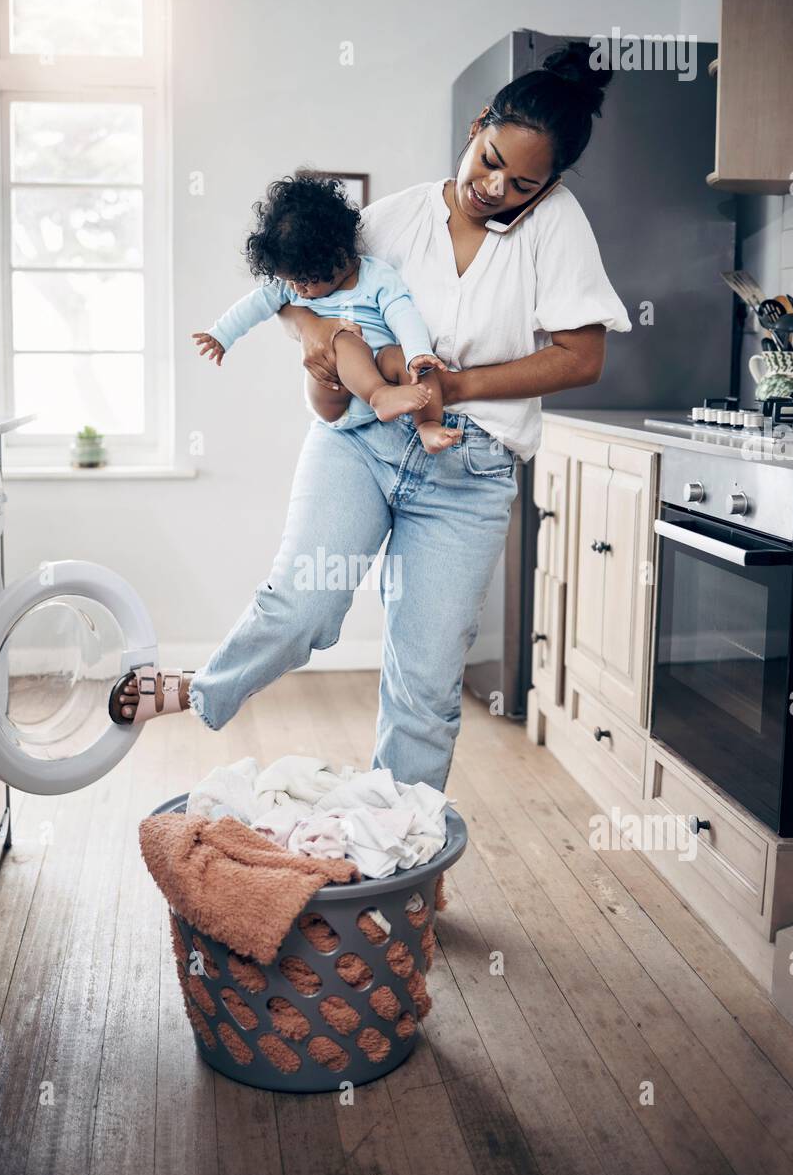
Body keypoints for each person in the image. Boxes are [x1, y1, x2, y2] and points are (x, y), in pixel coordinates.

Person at [109, 42, 631, 794]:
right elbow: (297, 289)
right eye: (488, 160)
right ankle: (203, 687)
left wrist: (454, 386)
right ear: (478, 124)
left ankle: (402, 854)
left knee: (424, 682)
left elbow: (581, 357)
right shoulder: (391, 219)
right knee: (304, 604)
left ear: (549, 185)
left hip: (469, 469)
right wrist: (317, 339)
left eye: (523, 182)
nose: (494, 188)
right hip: (359, 440)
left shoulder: (556, 224)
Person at [192, 171, 457, 452]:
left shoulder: (376, 276)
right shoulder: (291, 287)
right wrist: (221, 334)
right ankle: (380, 396)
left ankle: (427, 426)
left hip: (381, 369)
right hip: (332, 390)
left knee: (413, 363)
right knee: (341, 336)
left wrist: (417, 352)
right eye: (290, 281)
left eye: (305, 280)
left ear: (340, 257)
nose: (296, 289)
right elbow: (255, 305)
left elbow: (402, 311)